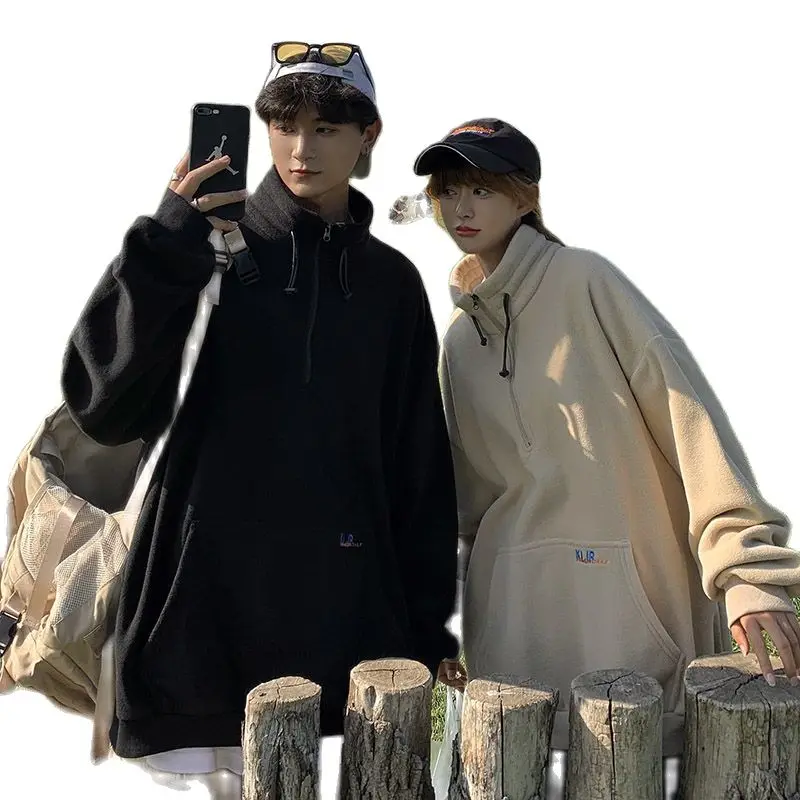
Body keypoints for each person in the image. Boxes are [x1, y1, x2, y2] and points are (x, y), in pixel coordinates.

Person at [60, 42, 460, 792]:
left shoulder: (392, 285)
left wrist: (428, 631)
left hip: (349, 634)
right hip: (197, 623)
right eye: (284, 125)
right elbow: (102, 403)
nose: (302, 148)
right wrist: (168, 237)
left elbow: (419, 470)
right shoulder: (198, 249)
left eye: (327, 128)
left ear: (368, 135)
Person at [409, 118, 800, 756]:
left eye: (481, 189)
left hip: (631, 625)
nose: (462, 208)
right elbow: (470, 505)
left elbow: (689, 420)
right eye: (448, 191)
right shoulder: (458, 340)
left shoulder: (585, 280)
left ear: (525, 198)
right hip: (512, 641)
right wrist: (438, 625)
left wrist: (745, 570)